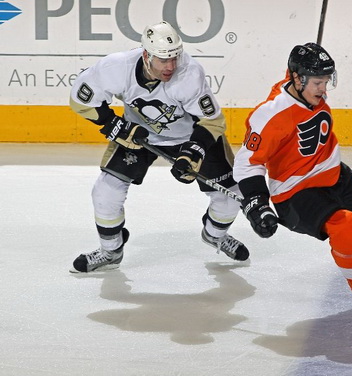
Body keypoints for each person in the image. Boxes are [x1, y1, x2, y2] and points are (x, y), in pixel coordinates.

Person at [233, 43, 352, 316]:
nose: (324, 89)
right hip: (296, 191)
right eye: (318, 82)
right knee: (345, 226)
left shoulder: (305, 89)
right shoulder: (270, 114)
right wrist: (257, 202)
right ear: (298, 79)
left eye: (326, 81)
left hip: (334, 173)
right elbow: (247, 163)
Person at [69, 21, 249, 273]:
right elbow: (80, 99)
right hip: (139, 135)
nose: (171, 66)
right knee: (105, 191)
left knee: (230, 196)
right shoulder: (116, 67)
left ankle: (215, 235)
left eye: (175, 57)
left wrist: (194, 151)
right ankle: (111, 250)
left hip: (192, 135)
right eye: (163, 60)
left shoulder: (190, 74)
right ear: (146, 55)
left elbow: (212, 121)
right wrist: (112, 124)